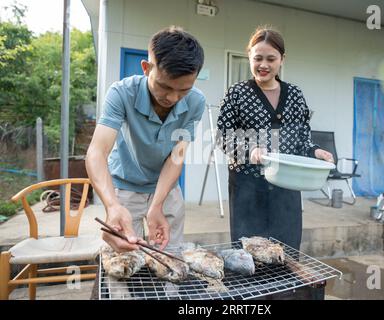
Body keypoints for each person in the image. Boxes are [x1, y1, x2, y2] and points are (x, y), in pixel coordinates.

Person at [86, 26, 205, 252]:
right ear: (146, 68)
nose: (173, 97)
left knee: (171, 256)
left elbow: (176, 157)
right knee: (124, 257)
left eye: (184, 90)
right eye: (165, 86)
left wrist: (157, 204)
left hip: (166, 188)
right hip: (124, 187)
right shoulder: (121, 93)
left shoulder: (196, 102)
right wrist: (112, 206)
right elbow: (96, 153)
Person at [217, 27, 333, 250]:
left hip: (287, 185)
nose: (264, 65)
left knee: (286, 252)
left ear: (282, 59)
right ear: (249, 56)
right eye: (257, 58)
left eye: (271, 59)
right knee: (249, 253)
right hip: (247, 187)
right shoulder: (237, 93)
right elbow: (224, 135)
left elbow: (302, 137)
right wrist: (249, 150)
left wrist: (314, 151)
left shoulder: (295, 94)